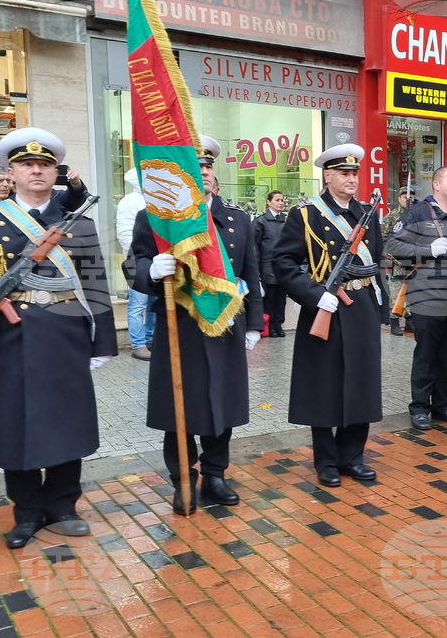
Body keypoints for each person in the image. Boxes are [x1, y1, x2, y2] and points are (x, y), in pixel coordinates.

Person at [0, 128, 117, 547]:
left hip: (66, 337)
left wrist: (102, 343)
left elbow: (96, 286)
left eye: (44, 165)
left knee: (66, 422)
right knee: (13, 424)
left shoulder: (79, 224)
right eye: (26, 164)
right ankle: (27, 511)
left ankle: (63, 506)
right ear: (11, 172)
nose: (36, 170)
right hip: (9, 340)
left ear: (55, 173)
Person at [133, 135, 263, 514]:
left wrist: (255, 323)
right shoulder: (156, 217)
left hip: (225, 324)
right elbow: (134, 264)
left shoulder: (237, 219)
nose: (203, 171)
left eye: (208, 165)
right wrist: (150, 270)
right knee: (179, 408)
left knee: (222, 403)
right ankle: (183, 480)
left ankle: (216, 474)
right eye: (196, 165)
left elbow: (251, 273)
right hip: (179, 324)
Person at [273, 144, 386, 486]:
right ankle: (326, 461)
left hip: (361, 306)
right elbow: (283, 262)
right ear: (328, 176)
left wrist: (381, 308)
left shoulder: (367, 213)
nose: (352, 179)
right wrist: (314, 295)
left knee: (362, 383)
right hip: (325, 306)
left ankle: (353, 456)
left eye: (355, 174)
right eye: (344, 173)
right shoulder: (306, 214)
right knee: (322, 385)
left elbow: (376, 261)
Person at [387, 167, 447, 430]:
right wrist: (427, 250)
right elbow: (393, 245)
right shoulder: (418, 213)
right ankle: (419, 407)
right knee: (426, 353)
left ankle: (442, 404)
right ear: (436, 185)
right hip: (427, 293)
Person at [116, 168, 154, 361]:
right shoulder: (129, 202)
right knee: (137, 304)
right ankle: (138, 344)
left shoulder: (155, 198)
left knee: (153, 303)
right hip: (138, 261)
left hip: (156, 261)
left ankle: (151, 340)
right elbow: (124, 233)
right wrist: (137, 257)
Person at [253, 190, 288, 338]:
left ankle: (278, 324)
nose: (280, 203)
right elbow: (254, 247)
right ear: (268, 202)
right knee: (269, 298)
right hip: (267, 266)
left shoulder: (286, 220)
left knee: (281, 299)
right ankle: (270, 325)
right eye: (277, 200)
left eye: (282, 200)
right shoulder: (261, 221)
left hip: (283, 266)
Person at [382, 186, 415, 336]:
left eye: (411, 197)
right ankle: (394, 321)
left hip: (413, 259)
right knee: (396, 291)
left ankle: (410, 321)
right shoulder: (392, 216)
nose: (408, 200)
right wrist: (389, 256)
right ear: (399, 199)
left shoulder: (416, 215)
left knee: (411, 291)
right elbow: (384, 238)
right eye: (405, 197)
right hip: (396, 260)